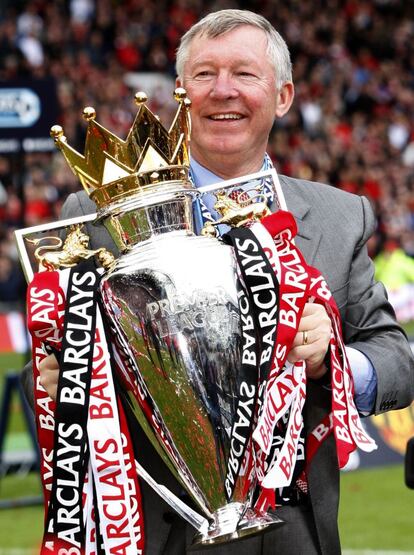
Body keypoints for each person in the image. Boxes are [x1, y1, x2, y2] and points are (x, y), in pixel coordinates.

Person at [22, 9, 414, 555]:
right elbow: (43, 373)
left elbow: (397, 359)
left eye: (245, 74)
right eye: (204, 75)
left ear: (283, 96)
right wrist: (61, 376)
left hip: (292, 538)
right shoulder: (93, 216)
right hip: (151, 535)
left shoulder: (338, 216)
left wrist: (333, 364)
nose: (222, 91)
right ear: (180, 94)